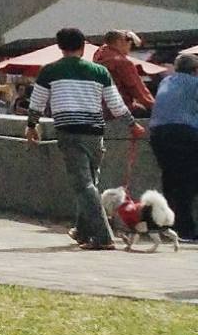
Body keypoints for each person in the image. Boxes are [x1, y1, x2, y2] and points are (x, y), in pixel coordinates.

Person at [25, 25, 144, 251]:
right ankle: (81, 230)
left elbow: (37, 103)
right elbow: (116, 104)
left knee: (83, 184)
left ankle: (102, 237)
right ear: (83, 46)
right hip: (96, 132)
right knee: (90, 181)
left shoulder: (50, 71)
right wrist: (133, 124)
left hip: (69, 131)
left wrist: (32, 126)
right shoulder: (99, 71)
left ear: (60, 47)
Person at [147, 51, 198, 245]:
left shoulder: (166, 82)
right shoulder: (195, 83)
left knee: (170, 180)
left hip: (158, 134)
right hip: (184, 134)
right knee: (187, 182)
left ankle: (167, 226)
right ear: (195, 70)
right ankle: (186, 230)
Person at [96, 30, 154, 117]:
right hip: (120, 108)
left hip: (99, 109)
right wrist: (154, 106)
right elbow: (137, 88)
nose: (130, 45)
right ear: (118, 42)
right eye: (128, 41)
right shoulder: (122, 62)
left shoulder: (97, 57)